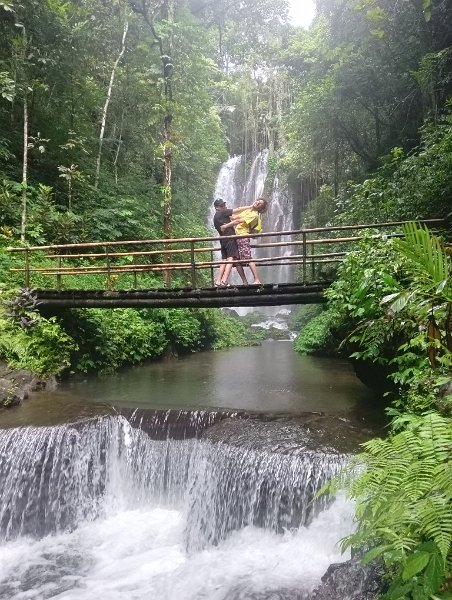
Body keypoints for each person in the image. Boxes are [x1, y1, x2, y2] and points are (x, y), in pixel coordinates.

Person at [221, 197, 268, 285]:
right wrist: (224, 212)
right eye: (258, 201)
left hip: (243, 236)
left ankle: (257, 279)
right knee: (237, 260)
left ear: (261, 208)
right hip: (237, 236)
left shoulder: (254, 215)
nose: (257, 203)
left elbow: (238, 221)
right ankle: (245, 282)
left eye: (260, 203)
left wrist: (225, 226)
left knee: (248, 258)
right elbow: (235, 217)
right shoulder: (248, 210)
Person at [212, 198, 250, 286]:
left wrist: (244, 216)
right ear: (217, 207)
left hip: (222, 240)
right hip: (230, 239)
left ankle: (218, 280)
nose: (224, 207)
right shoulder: (223, 212)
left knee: (225, 259)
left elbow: (234, 218)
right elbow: (238, 209)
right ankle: (224, 280)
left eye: (224, 205)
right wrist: (251, 207)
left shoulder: (215, 217)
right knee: (230, 258)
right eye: (222, 205)